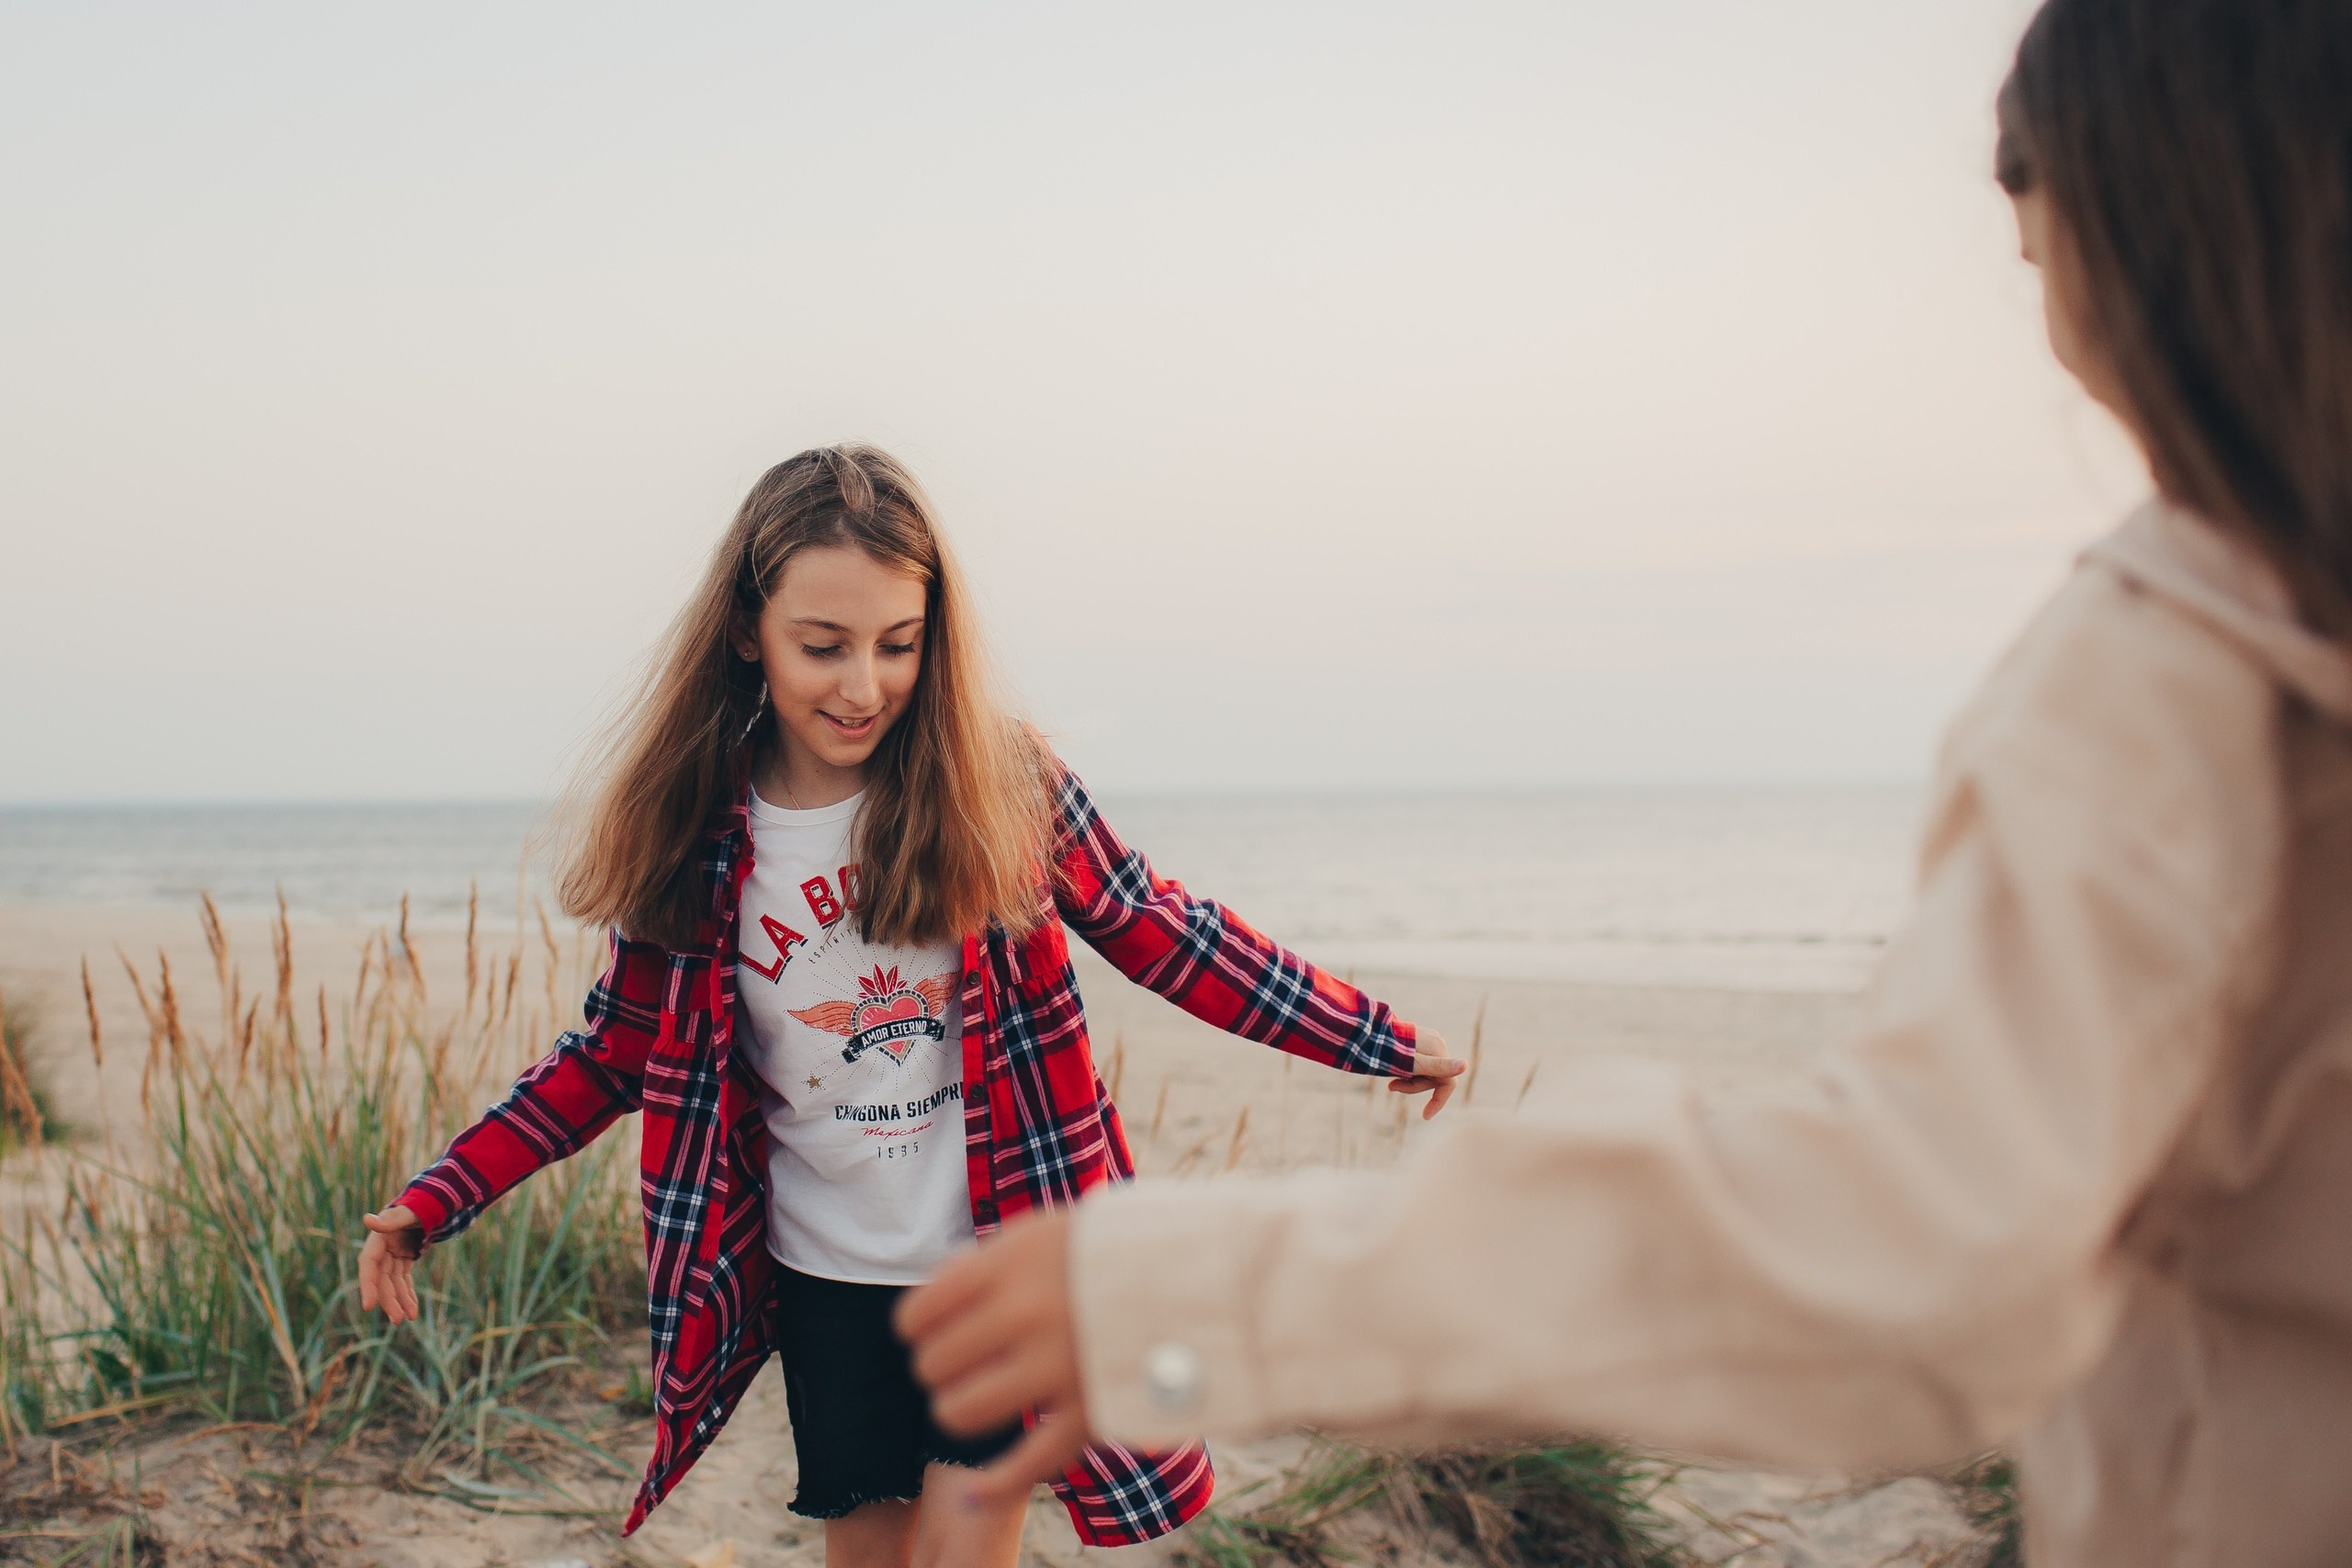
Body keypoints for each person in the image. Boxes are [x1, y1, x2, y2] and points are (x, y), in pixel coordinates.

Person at [895, 2, 2352, 1562]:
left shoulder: (2178, 673)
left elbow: (1923, 1252)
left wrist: (1182, 1278)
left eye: (2029, 187)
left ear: (2159, 213)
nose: (2015, 247)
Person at [352, 446, 1465, 1568]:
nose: (861, 686)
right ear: (748, 629)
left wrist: (1368, 1036)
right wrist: (439, 1197)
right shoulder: (699, 840)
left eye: (897, 644)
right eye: (821, 646)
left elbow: (1160, 929)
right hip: (826, 1277)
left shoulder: (999, 789)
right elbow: (608, 1056)